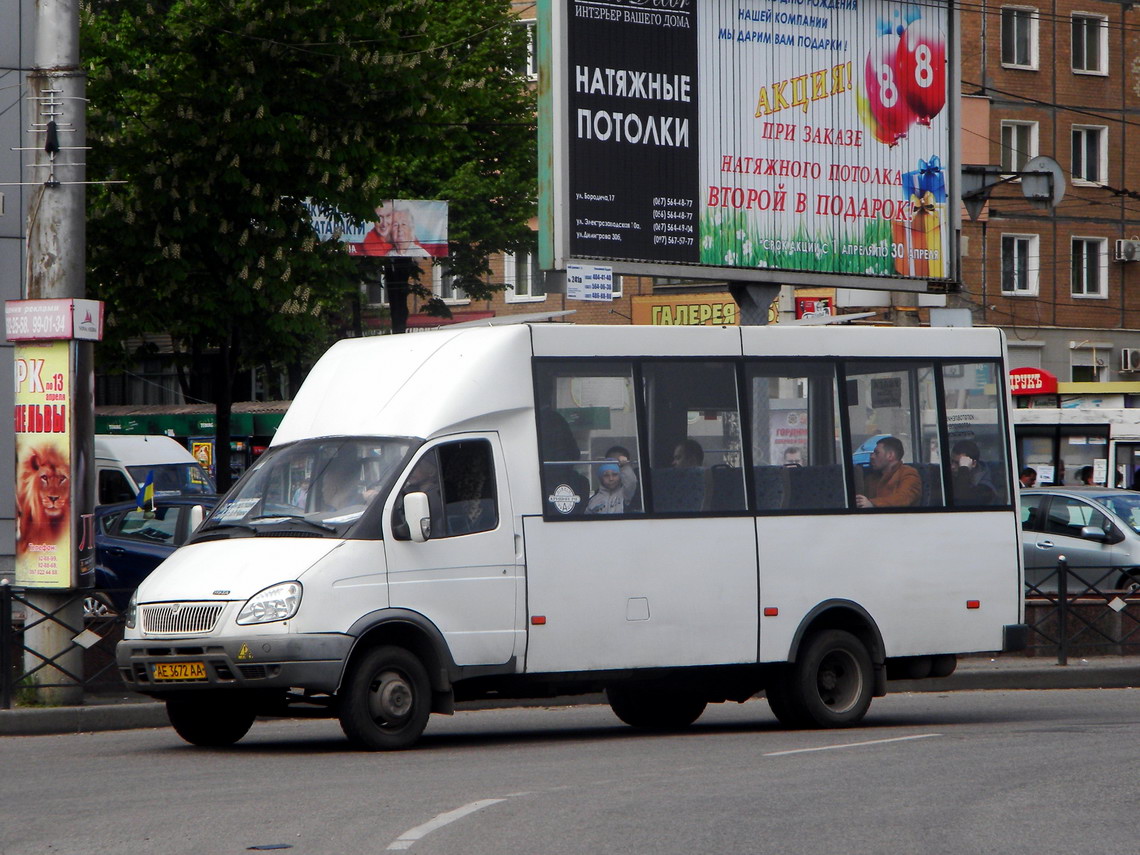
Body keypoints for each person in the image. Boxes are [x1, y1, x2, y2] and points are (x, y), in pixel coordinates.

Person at [855, 435, 920, 508]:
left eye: (877, 453)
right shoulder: (871, 478)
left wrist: (873, 504)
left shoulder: (908, 473)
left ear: (890, 455)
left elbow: (903, 499)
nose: (872, 457)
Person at [950, 440, 997, 504]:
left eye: (958, 463)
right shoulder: (952, 475)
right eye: (951, 461)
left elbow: (961, 499)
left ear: (973, 463)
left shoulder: (985, 488)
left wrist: (964, 468)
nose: (952, 466)